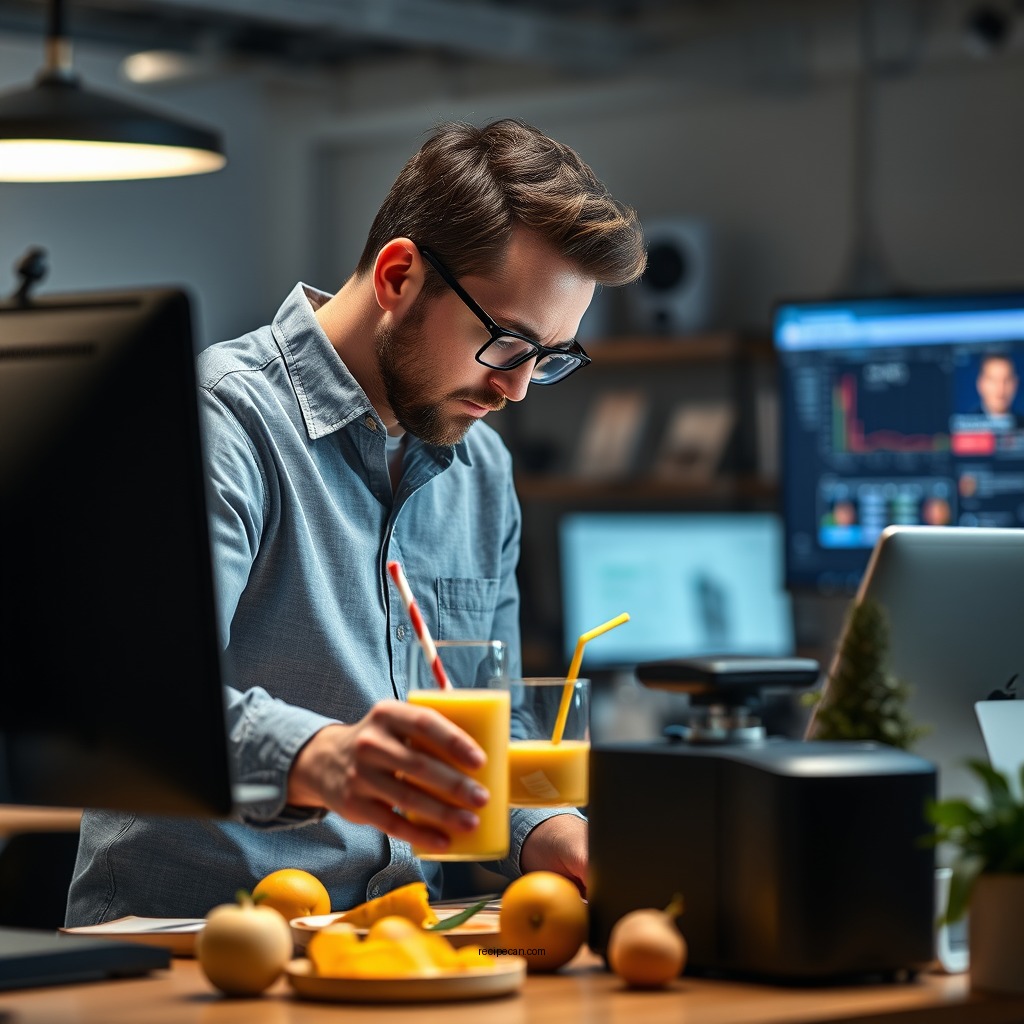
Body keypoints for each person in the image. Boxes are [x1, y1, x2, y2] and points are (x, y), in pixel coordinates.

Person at [65, 118, 646, 924]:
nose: (516, 390)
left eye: (550, 358)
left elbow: (487, 720)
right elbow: (139, 701)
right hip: (188, 951)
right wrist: (316, 755)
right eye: (507, 343)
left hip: (402, 950)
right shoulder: (211, 422)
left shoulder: (482, 469)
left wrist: (543, 826)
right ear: (400, 276)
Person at [973, 353, 1023, 427]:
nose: (1001, 388)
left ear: (1015, 384)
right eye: (993, 380)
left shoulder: (1021, 424)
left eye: (1007, 380)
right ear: (980, 384)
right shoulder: (963, 427)